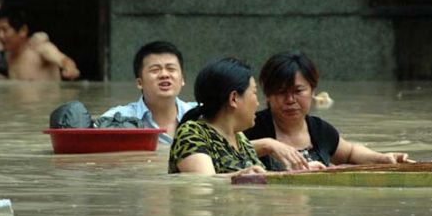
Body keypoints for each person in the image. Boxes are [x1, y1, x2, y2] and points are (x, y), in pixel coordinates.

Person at [244, 50, 414, 171]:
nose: (290, 100)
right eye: (281, 92)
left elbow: (350, 153)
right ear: (267, 94)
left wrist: (382, 159)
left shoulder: (321, 131)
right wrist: (268, 145)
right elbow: (222, 157)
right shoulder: (250, 127)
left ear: (313, 91)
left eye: (298, 91)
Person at [168, 57, 266, 176]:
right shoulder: (191, 133)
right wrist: (241, 176)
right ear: (234, 98)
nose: (257, 103)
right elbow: (203, 185)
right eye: (254, 93)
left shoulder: (240, 139)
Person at [99, 41, 196, 144]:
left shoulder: (203, 116)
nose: (164, 74)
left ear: (182, 80)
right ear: (140, 83)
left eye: (171, 69)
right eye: (155, 70)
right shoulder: (116, 119)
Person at [0, 2, 80, 81]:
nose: (0, 35)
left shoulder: (40, 48)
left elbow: (64, 60)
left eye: (4, 30)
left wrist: (70, 69)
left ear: (23, 30)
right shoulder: (8, 56)